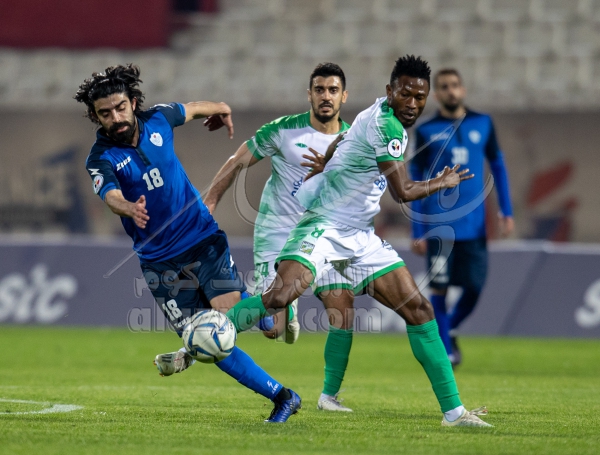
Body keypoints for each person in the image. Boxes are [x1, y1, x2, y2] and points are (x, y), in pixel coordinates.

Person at [225, 55, 493, 427]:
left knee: (418, 310)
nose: (412, 103)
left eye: (420, 97)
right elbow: (403, 192)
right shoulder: (389, 127)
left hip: (360, 236)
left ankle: (454, 412)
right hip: (325, 227)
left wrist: (327, 161)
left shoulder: (375, 111)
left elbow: (344, 138)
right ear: (390, 91)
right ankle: (210, 332)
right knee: (280, 298)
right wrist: (442, 182)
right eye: (405, 94)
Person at [74, 64, 300, 423]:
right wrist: (127, 207)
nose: (115, 118)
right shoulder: (100, 157)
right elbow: (110, 195)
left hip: (200, 238)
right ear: (95, 116)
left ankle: (264, 310)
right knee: (212, 342)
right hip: (157, 260)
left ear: (133, 103)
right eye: (105, 113)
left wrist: (221, 108)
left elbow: (192, 109)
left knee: (222, 322)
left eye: (120, 108)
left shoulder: (159, 119)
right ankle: (283, 396)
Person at [204, 63, 356, 412]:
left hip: (323, 234)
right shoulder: (283, 130)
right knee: (274, 329)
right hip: (277, 233)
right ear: (309, 95)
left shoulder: (353, 140)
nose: (326, 96)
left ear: (344, 96)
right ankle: (275, 305)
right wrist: (210, 201)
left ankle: (329, 397)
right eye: (319, 89)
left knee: (342, 307)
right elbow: (237, 161)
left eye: (333, 90)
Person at [410, 68, 514, 367]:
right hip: (439, 227)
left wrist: (506, 211)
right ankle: (446, 351)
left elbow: (498, 165)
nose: (450, 91)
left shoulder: (483, 123)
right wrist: (417, 229)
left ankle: (450, 328)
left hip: (475, 226)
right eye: (444, 86)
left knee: (475, 287)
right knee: (439, 289)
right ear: (437, 94)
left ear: (463, 89)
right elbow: (415, 178)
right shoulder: (427, 130)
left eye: (455, 85)